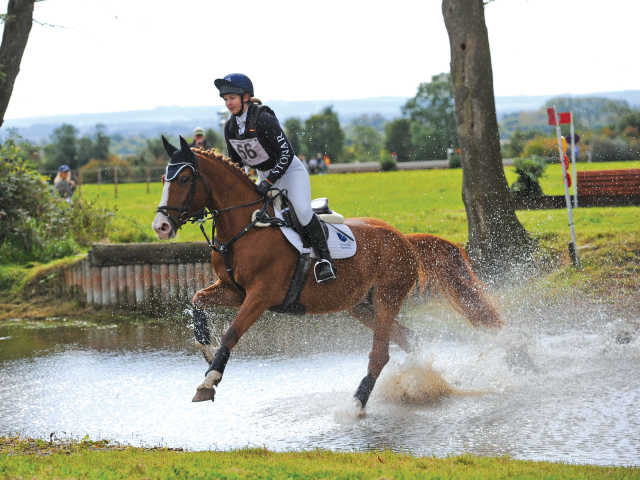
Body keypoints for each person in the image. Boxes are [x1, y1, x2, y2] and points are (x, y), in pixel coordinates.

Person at [214, 73, 336, 283]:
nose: (228, 103)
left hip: (290, 172)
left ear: (245, 97)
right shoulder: (231, 127)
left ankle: (326, 261)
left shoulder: (263, 118)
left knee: (302, 211)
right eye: (225, 99)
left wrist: (269, 182)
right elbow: (236, 165)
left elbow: (287, 153)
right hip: (264, 176)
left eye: (231, 98)